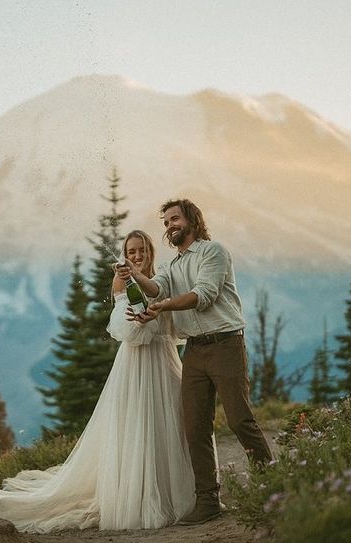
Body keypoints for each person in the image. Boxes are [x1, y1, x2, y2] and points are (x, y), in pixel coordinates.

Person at [0, 230, 197, 533]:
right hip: (137, 362)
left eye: (141, 250)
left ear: (150, 251)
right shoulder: (122, 282)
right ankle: (139, 495)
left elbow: (175, 322)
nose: (136, 256)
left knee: (171, 422)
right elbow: (125, 332)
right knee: (138, 424)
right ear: (125, 254)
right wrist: (138, 316)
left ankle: (176, 495)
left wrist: (156, 315)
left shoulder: (163, 278)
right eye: (130, 251)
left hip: (165, 358)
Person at [116, 200, 273, 525]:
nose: (169, 225)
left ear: (192, 221)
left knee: (239, 419)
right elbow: (157, 287)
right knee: (195, 427)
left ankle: (273, 486)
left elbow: (204, 294)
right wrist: (133, 274)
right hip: (194, 351)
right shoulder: (172, 266)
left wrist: (162, 307)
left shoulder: (213, 252)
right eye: (166, 222)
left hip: (225, 344)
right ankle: (208, 502)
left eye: (175, 219)